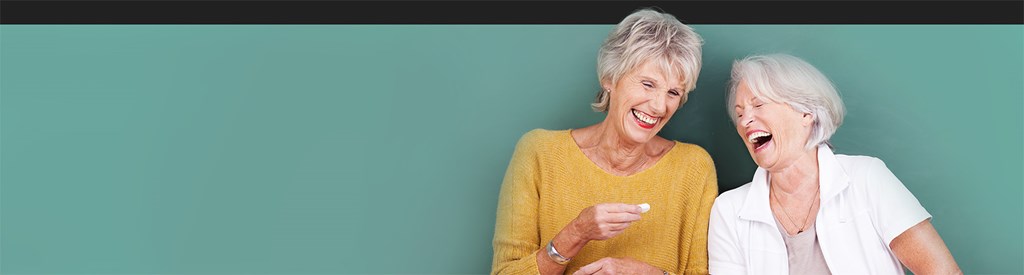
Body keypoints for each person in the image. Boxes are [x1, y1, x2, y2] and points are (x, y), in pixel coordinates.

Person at [490, 8, 717, 275]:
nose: (658, 106)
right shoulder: (539, 154)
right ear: (610, 78)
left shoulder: (693, 168)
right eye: (647, 84)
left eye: (673, 92)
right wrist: (576, 233)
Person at [708, 53, 960, 274]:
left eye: (758, 105)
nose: (744, 122)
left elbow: (943, 272)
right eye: (740, 114)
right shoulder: (728, 211)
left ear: (805, 113)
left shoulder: (867, 178)